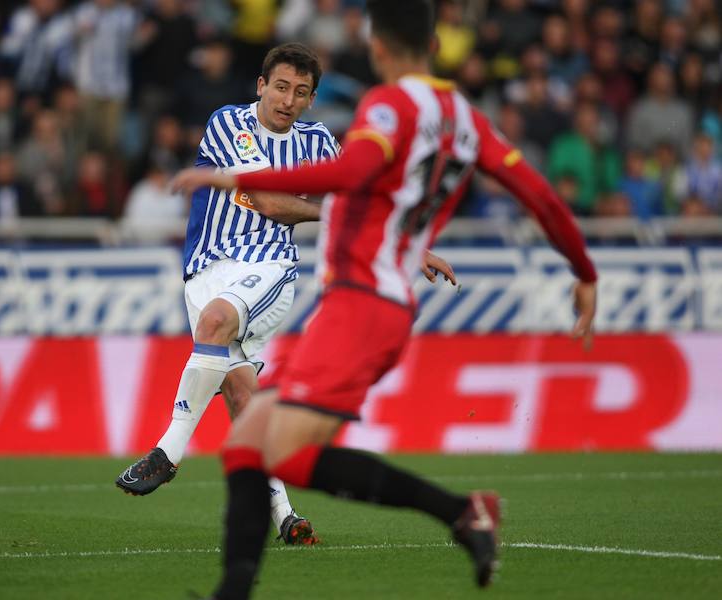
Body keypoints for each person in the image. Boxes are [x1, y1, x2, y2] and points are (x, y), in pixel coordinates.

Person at [171, 1, 598, 597]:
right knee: (247, 446)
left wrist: (238, 177)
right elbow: (541, 197)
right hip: (374, 303)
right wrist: (584, 271)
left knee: (275, 451)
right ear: (434, 46)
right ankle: (235, 591)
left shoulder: (389, 106)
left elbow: (353, 174)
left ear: (377, 47)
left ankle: (461, 512)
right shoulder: (466, 118)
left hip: (362, 304)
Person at [115, 43, 342, 546]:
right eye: (280, 87)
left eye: (300, 92)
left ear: (311, 100)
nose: (288, 100)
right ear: (261, 86)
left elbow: (362, 203)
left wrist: (414, 247)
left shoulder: (318, 142)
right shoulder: (228, 123)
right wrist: (330, 211)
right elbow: (267, 199)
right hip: (204, 272)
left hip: (268, 266)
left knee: (215, 322)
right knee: (241, 396)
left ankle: (168, 452)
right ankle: (285, 515)